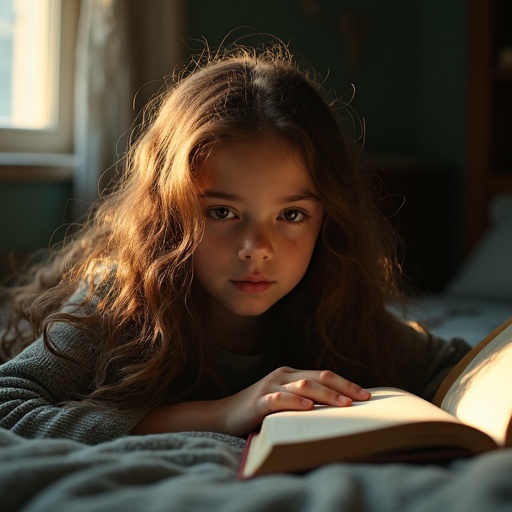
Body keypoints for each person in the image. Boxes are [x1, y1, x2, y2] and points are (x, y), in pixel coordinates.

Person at [0, 44, 470, 445]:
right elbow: (8, 406)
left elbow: (454, 364)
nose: (256, 248)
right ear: (168, 215)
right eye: (222, 212)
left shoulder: (334, 300)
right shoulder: (117, 301)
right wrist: (221, 414)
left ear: (327, 221)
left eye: (291, 215)